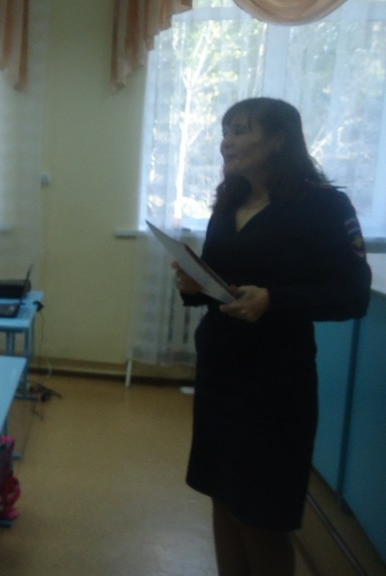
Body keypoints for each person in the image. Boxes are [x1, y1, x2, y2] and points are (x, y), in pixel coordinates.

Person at [174, 97, 371, 576]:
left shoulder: (323, 205)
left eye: (241, 130)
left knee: (260, 514)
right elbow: (224, 282)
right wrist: (195, 287)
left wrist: (274, 300)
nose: (227, 141)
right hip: (220, 372)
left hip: (275, 384)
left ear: (280, 140)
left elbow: (351, 295)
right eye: (225, 131)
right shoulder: (230, 201)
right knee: (222, 497)